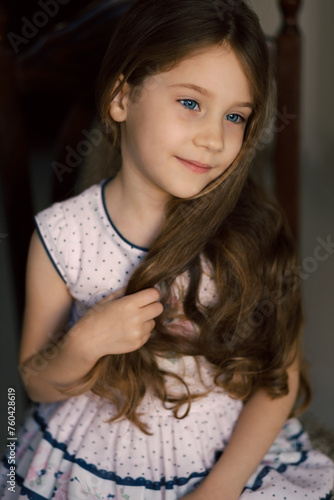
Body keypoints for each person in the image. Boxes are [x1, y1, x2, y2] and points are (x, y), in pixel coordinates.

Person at [1, 0, 333, 498]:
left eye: (236, 116)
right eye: (191, 103)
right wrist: (84, 344)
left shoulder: (250, 230)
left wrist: (219, 489)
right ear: (121, 97)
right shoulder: (63, 237)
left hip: (229, 458)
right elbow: (29, 385)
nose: (213, 138)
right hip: (93, 463)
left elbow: (277, 374)